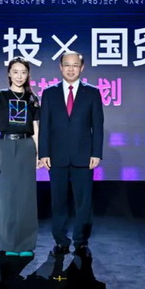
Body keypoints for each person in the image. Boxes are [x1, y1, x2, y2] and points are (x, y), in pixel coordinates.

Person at [39, 51, 104, 258]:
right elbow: (44, 126)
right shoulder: (49, 93)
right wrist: (43, 153)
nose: (71, 69)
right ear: (60, 67)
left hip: (83, 156)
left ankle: (81, 242)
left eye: (75, 65)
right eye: (67, 65)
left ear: (81, 68)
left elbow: (98, 126)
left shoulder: (92, 93)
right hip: (56, 156)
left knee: (83, 202)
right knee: (58, 201)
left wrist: (96, 153)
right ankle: (61, 241)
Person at [0, 57, 41, 257]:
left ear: (28, 75)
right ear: (9, 73)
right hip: (6, 145)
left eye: (23, 72)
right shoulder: (0, 96)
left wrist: (39, 153)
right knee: (7, 196)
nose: (19, 76)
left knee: (26, 196)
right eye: (15, 71)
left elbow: (36, 128)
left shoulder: (32, 98)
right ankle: (8, 243)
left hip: (27, 146)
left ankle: (26, 245)